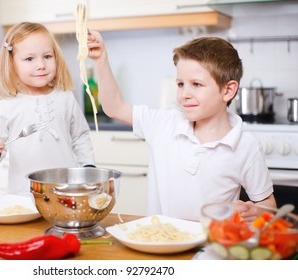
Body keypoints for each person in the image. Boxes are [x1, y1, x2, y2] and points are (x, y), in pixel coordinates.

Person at [87, 31, 276, 222]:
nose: (184, 94)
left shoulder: (247, 146)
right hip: (157, 242)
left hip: (210, 248)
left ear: (228, 90)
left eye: (196, 84)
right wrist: (101, 59)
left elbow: (267, 206)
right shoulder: (164, 123)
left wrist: (256, 211)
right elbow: (114, 108)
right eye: (180, 84)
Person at [0, 22, 95, 196]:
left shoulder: (65, 96)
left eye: (48, 56)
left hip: (66, 191)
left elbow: (80, 135)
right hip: (24, 195)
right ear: (12, 63)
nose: (41, 65)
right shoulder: (8, 104)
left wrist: (88, 167)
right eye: (30, 59)